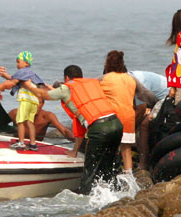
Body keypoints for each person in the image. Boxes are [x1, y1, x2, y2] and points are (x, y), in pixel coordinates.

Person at [24, 65, 123, 195]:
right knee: (108, 165)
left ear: (66, 78)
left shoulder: (66, 88)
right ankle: (117, 193)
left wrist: (26, 84)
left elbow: (42, 94)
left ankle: (85, 198)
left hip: (100, 128)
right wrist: (75, 150)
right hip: (117, 124)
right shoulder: (91, 84)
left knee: (90, 169)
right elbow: (81, 128)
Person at [100, 50, 136, 175]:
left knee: (108, 148)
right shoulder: (131, 79)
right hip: (129, 117)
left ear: (108, 64)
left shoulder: (105, 79)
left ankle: (107, 177)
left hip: (114, 119)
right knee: (126, 150)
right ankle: (129, 179)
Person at [0, 100, 75, 142]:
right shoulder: (16, 113)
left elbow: (64, 130)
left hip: (37, 146)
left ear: (43, 104)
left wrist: (76, 141)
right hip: (19, 144)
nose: (36, 106)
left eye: (39, 103)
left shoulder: (47, 116)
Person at [128, 71, 169, 170]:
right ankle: (137, 146)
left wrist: (128, 132)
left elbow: (141, 109)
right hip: (153, 100)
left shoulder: (136, 83)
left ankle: (143, 164)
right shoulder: (127, 77)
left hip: (166, 98)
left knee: (144, 125)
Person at [8, 51, 45, 151]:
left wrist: (3, 86)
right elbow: (41, 84)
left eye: (18, 61)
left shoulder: (22, 72)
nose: (16, 64)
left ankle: (21, 142)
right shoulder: (33, 74)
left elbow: (13, 81)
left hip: (25, 100)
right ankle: (33, 144)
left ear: (26, 63)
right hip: (34, 102)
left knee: (20, 121)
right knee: (30, 122)